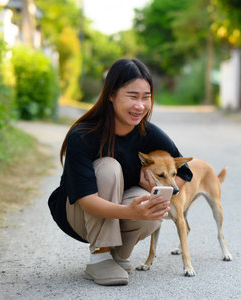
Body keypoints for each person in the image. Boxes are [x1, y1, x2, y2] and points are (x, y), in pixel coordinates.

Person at [48, 58, 193, 286]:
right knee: (109, 168)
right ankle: (100, 256)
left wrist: (157, 190)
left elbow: (184, 174)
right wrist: (132, 212)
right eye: (132, 96)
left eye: (146, 97)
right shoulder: (83, 135)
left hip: (118, 213)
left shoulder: (150, 133)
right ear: (111, 95)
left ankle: (119, 256)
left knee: (151, 202)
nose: (141, 105)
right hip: (77, 214)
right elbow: (86, 200)